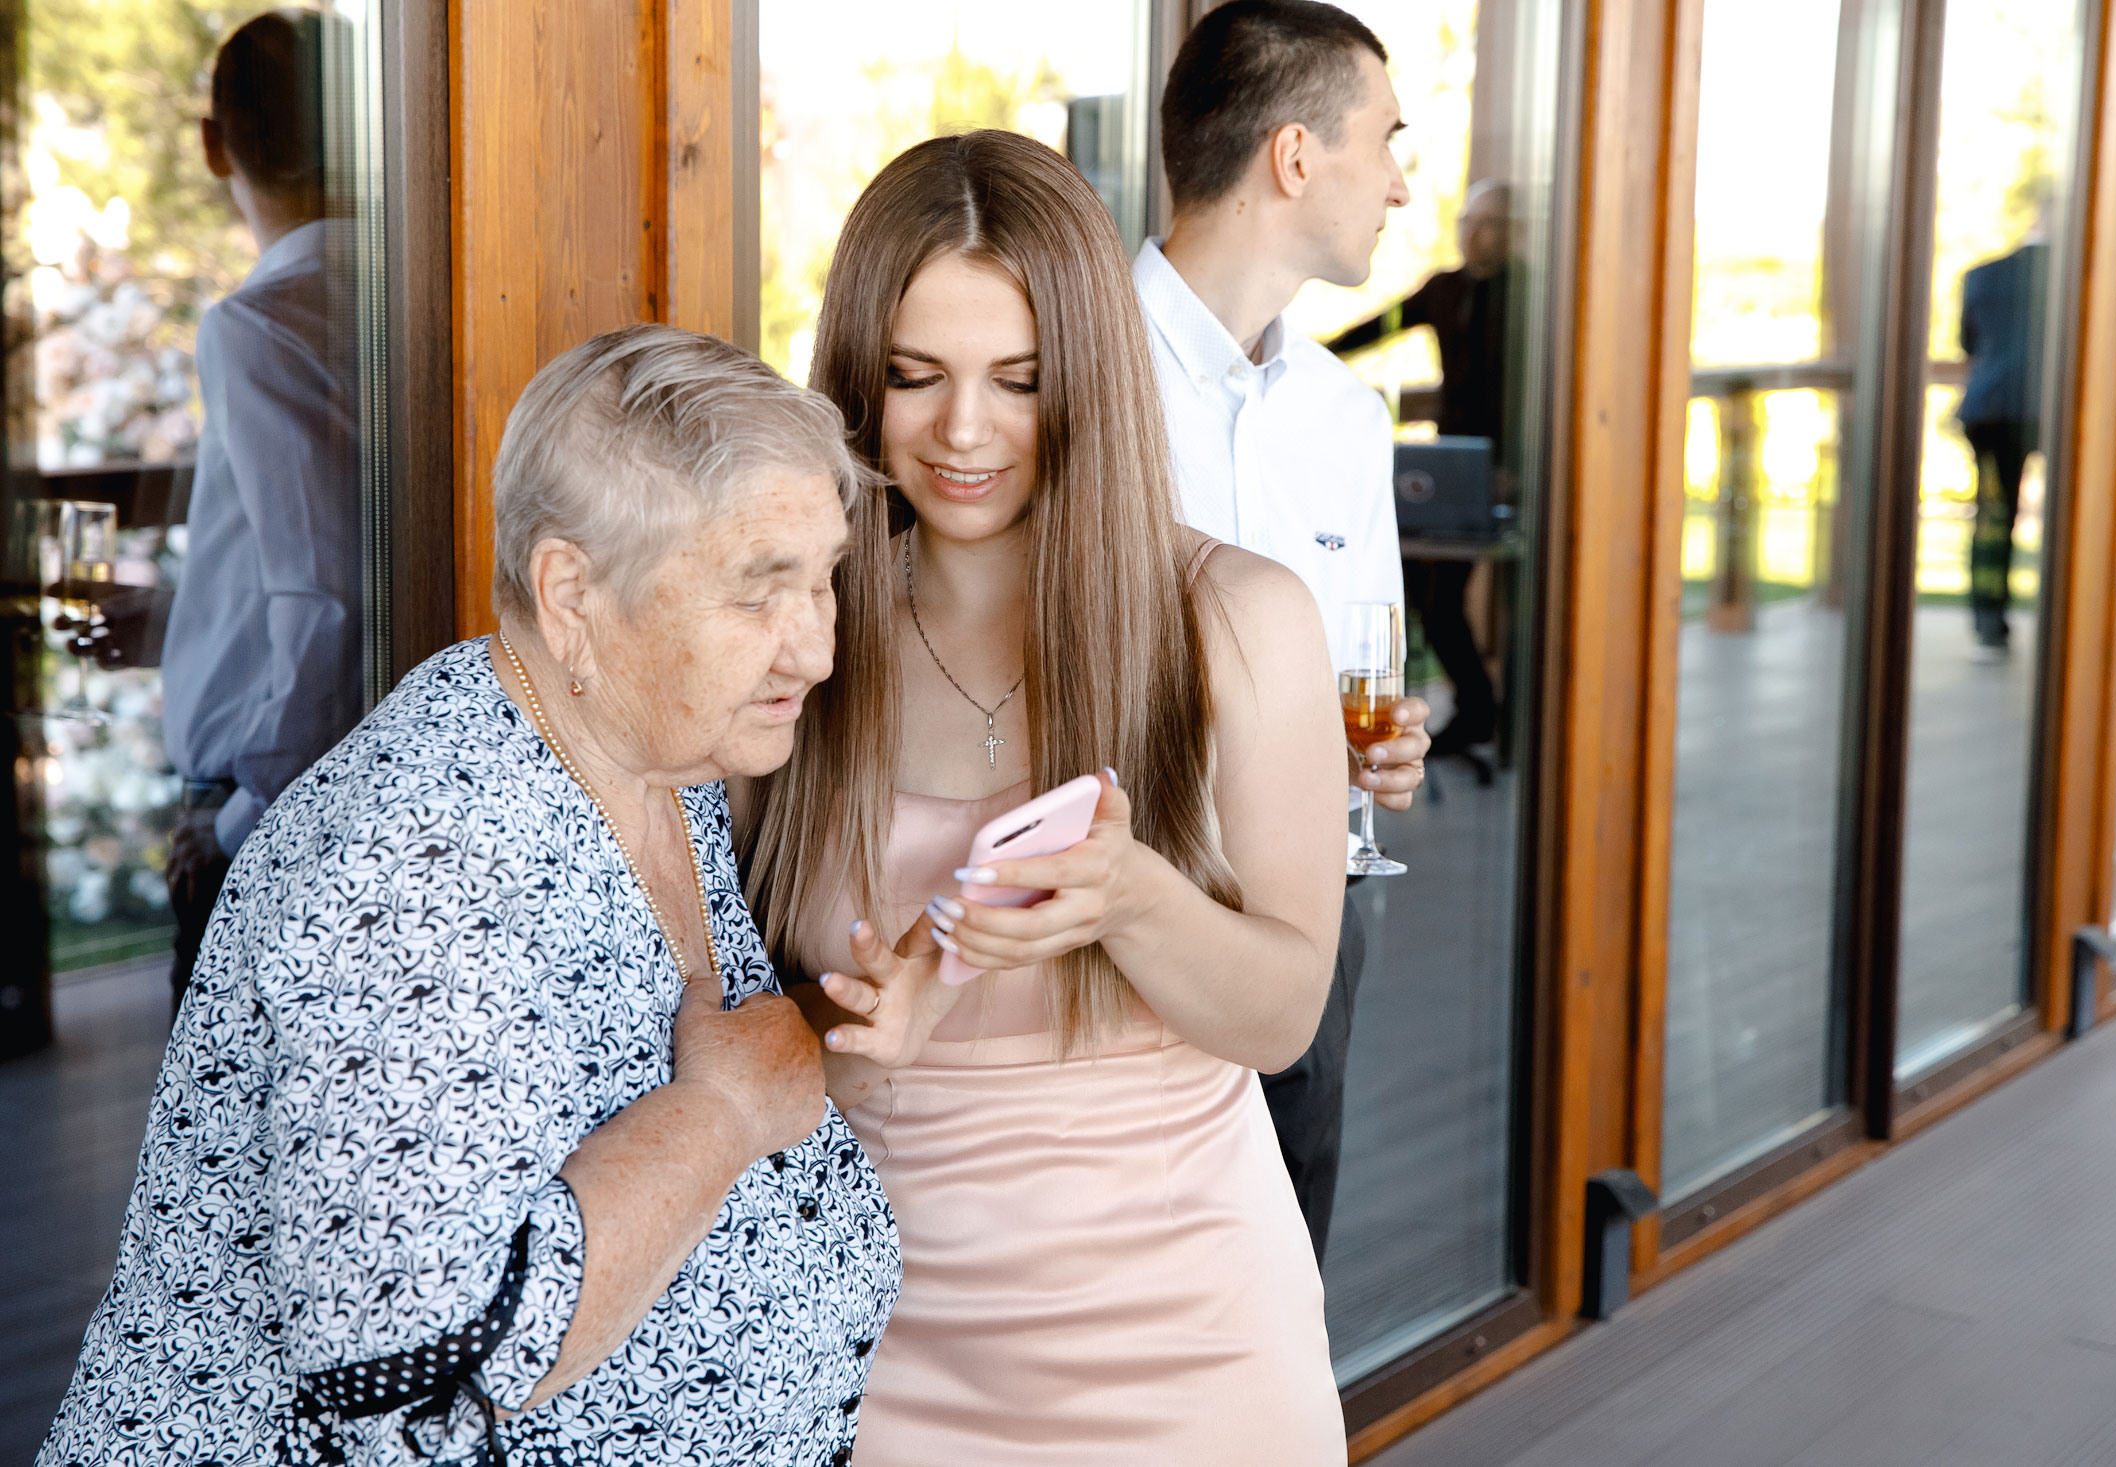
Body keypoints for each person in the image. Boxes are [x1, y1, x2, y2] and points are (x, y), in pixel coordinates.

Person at [40, 326, 900, 1466]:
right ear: (572, 595)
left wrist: (829, 1030)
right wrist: (726, 1116)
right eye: (758, 595)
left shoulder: (651, 755)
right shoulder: (411, 867)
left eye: (823, 578)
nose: (818, 649)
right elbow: (418, 1366)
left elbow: (628, 1063)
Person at [739, 130, 1349, 1463]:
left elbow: (1283, 1014)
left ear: (1090, 381)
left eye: (1019, 380)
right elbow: (740, 1037)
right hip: (884, 1336)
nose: (964, 431)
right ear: (858, 377)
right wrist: (845, 1037)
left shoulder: (1242, 620)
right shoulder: (797, 644)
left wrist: (1133, 897)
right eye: (916, 376)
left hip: (1197, 1342)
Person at [1135, 0, 1431, 1266]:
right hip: (1122, 923)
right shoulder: (1069, 376)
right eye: (1388, 142)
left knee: (1277, 1282)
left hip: (1316, 916)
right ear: (1296, 156)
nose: (1402, 185)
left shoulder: (1345, 418)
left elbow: (1368, 672)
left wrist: (1390, 743)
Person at [160, 10, 363, 1009]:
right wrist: (167, 622)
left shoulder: (261, 324)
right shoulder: (414, 292)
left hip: (270, 809)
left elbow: (326, 597)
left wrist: (236, 825)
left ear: (213, 146)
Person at [1327, 180, 1518, 763]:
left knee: (1476, 598)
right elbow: (1381, 327)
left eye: (1488, 223)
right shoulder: (1445, 289)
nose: (1474, 232)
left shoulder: (1528, 294)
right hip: (1455, 463)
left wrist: (1516, 465)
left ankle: (1485, 712)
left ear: (1512, 233)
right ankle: (1479, 710)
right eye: (1468, 220)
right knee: (1433, 596)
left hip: (1511, 466)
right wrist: (1304, 353)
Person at [1957, 232, 2051, 650]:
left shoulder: (1983, 276)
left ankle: (1988, 620)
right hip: (2048, 408)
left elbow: (1968, 344)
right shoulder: (2078, 273)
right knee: (2074, 515)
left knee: (1993, 517)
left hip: (1989, 408)